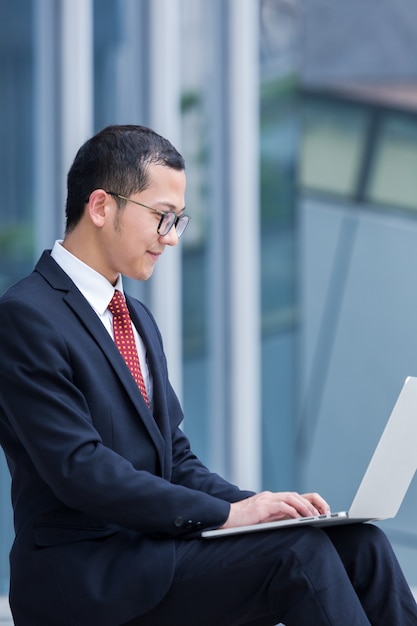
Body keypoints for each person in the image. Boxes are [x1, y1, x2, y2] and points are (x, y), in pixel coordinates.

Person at [0, 125, 416, 626]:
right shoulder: (26, 315)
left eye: (178, 221)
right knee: (297, 555)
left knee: (359, 543)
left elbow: (173, 457)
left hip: (153, 553)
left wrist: (258, 505)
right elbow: (81, 470)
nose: (171, 238)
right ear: (101, 207)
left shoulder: (135, 319)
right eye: (162, 218)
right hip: (85, 576)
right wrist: (227, 518)